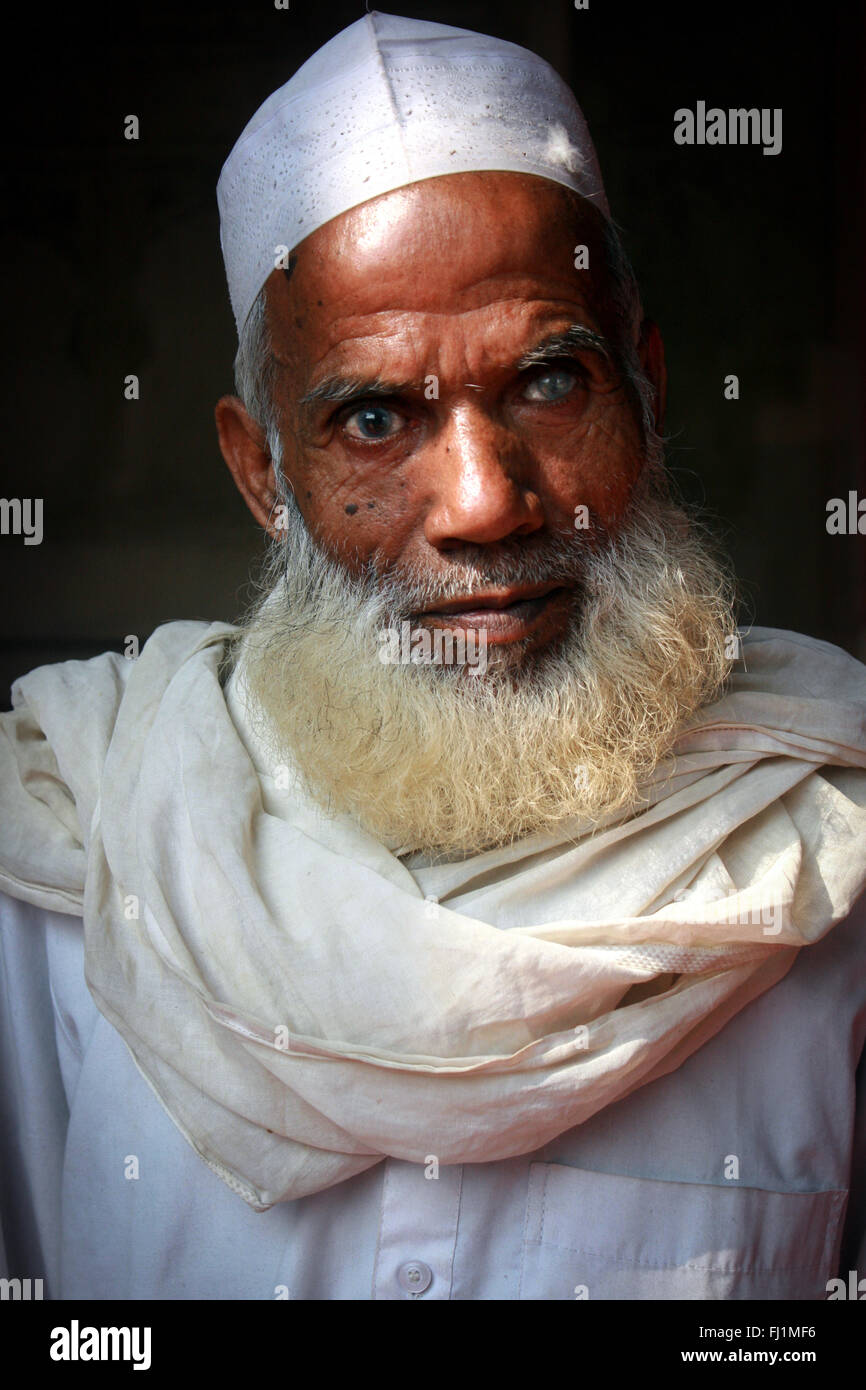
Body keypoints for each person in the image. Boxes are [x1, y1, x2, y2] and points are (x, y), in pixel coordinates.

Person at [1, 11, 865, 1302]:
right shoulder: (80, 846)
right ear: (262, 471)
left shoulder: (832, 849)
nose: (482, 501)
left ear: (647, 387)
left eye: (548, 383)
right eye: (369, 414)